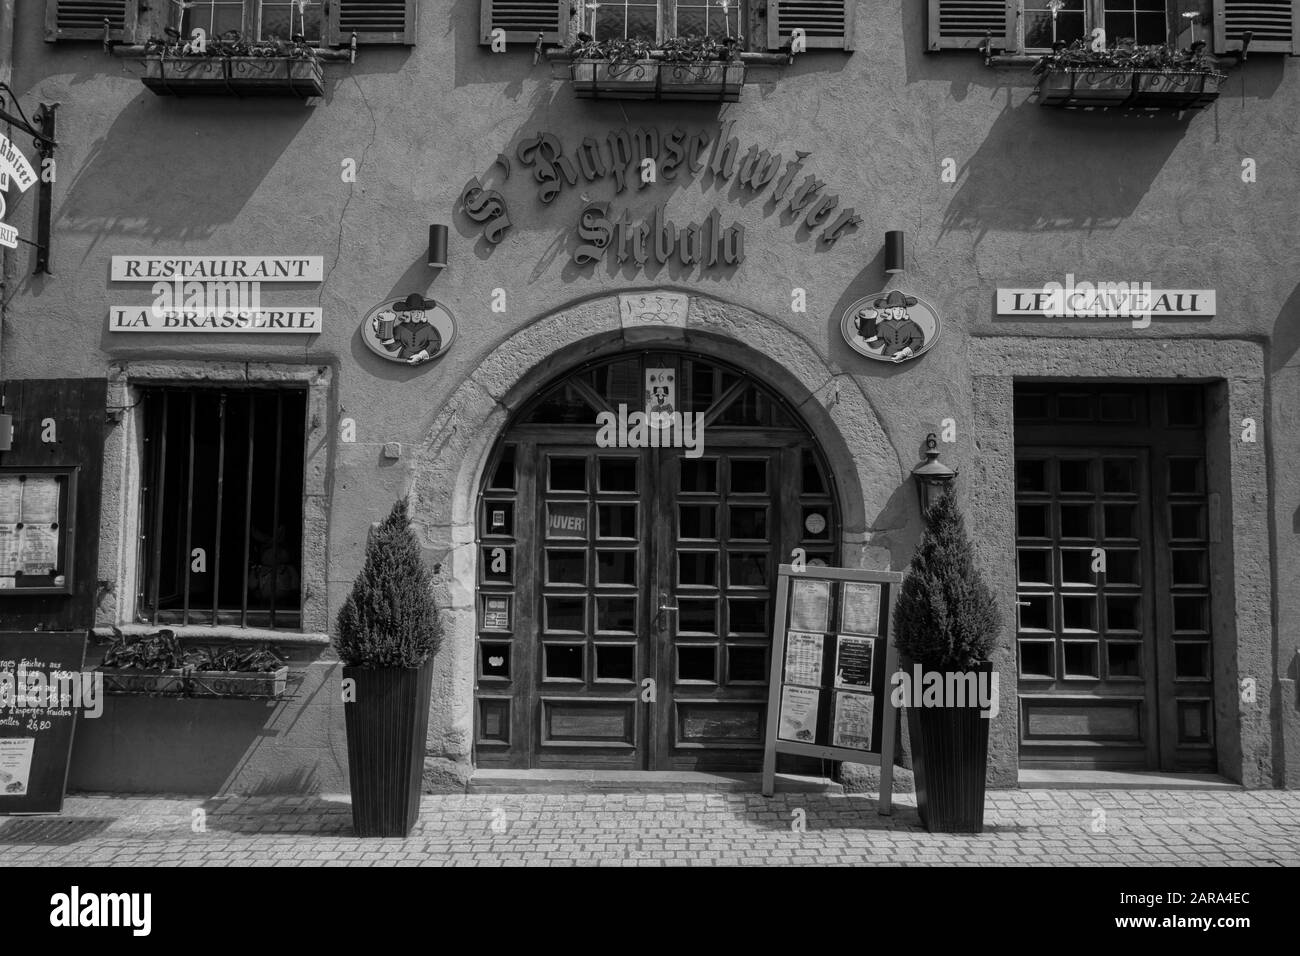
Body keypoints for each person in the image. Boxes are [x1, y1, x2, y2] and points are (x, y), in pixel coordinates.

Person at [855, 290, 925, 362]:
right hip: (887, 357)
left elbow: (919, 340)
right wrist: (865, 329)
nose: (898, 312)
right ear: (890, 310)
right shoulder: (883, 325)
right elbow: (875, 345)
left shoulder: (911, 325)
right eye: (895, 309)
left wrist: (904, 353)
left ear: (904, 310)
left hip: (908, 358)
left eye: (901, 309)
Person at [373, 292, 442, 364]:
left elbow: (435, 343)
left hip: (425, 362)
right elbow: (392, 347)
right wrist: (381, 329)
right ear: (407, 313)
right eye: (413, 312)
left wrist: (421, 356)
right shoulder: (401, 328)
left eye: (419, 312)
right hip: (403, 360)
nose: (417, 315)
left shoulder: (429, 328)